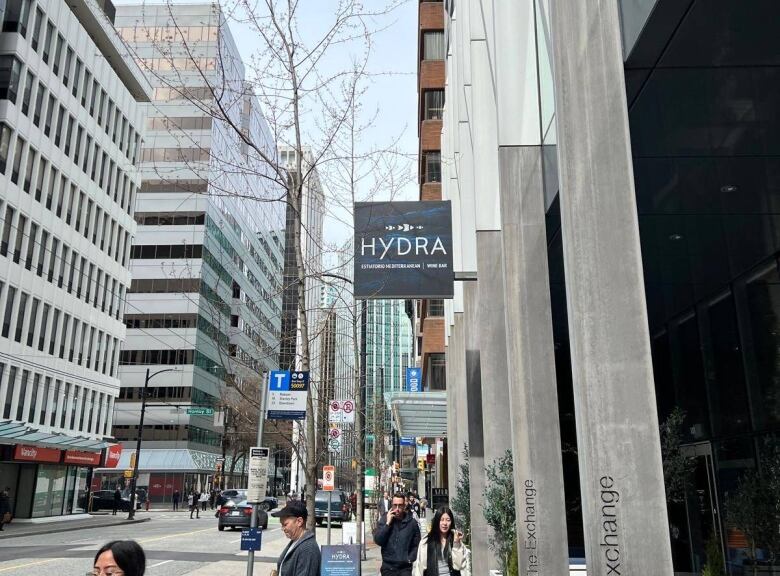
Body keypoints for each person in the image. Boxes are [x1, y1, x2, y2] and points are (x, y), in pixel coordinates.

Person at [374, 492, 421, 576]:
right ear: (391, 505)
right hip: (388, 567)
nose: (397, 508)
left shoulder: (411, 522)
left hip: (405, 568)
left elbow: (417, 543)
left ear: (404, 505)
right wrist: (388, 524)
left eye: (400, 505)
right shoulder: (385, 519)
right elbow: (378, 540)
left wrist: (410, 558)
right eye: (395, 505)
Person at [412, 507, 469, 576]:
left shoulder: (455, 540)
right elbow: (420, 567)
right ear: (437, 521)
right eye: (441, 520)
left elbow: (459, 566)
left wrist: (456, 543)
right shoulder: (426, 541)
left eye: (448, 520)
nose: (445, 523)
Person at [270, 500, 321, 576]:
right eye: (282, 525)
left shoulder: (308, 549)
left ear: (299, 521)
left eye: (285, 524)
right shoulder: (296, 541)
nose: (282, 528)